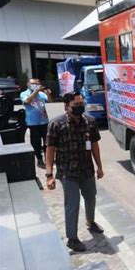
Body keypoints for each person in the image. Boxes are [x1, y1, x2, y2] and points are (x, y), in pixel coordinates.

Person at [45, 91, 104, 252]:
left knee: (91, 197)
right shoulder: (56, 124)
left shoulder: (90, 122)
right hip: (67, 173)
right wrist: (49, 175)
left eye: (81, 104)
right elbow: (50, 150)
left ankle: (90, 222)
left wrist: (99, 166)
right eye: (76, 105)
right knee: (72, 204)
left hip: (87, 170)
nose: (80, 107)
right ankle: (72, 238)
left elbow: (94, 146)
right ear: (66, 106)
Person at [20, 78, 52, 168]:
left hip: (44, 121)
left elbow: (50, 102)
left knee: (47, 142)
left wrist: (48, 94)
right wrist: (35, 92)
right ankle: (39, 159)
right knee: (36, 142)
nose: (35, 85)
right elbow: (26, 102)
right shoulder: (24, 93)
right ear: (28, 84)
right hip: (33, 122)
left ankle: (48, 159)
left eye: (36, 83)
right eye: (32, 83)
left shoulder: (41, 94)